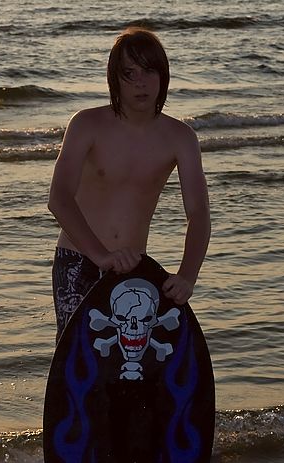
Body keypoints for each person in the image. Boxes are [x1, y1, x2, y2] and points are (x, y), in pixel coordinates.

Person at [48, 27, 211, 340]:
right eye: (129, 73)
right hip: (78, 261)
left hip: (133, 267)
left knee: (129, 368)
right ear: (115, 80)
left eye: (149, 71)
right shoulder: (86, 124)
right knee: (77, 362)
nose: (140, 82)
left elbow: (199, 213)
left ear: (163, 77)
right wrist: (100, 255)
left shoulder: (180, 138)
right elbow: (59, 198)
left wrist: (188, 275)